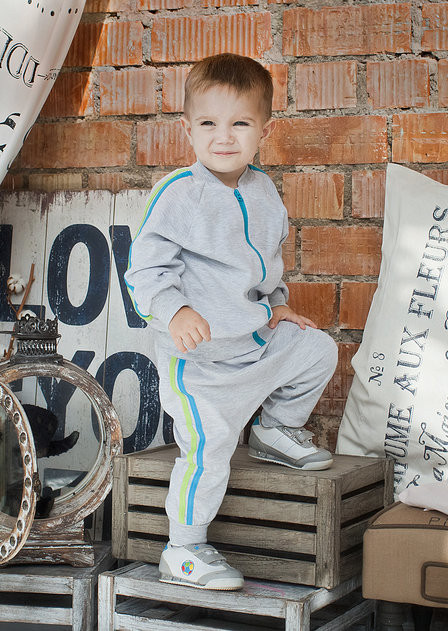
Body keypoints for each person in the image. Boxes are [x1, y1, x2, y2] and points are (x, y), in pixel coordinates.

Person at [125, 53, 338, 591]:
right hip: (199, 365)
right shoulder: (179, 194)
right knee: (208, 450)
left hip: (253, 345)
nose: (224, 137)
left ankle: (273, 430)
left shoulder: (264, 192)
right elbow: (144, 271)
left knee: (317, 349)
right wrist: (175, 311)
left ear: (265, 130)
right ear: (188, 130)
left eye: (240, 123)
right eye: (208, 123)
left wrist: (278, 305)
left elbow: (268, 266)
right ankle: (184, 549)